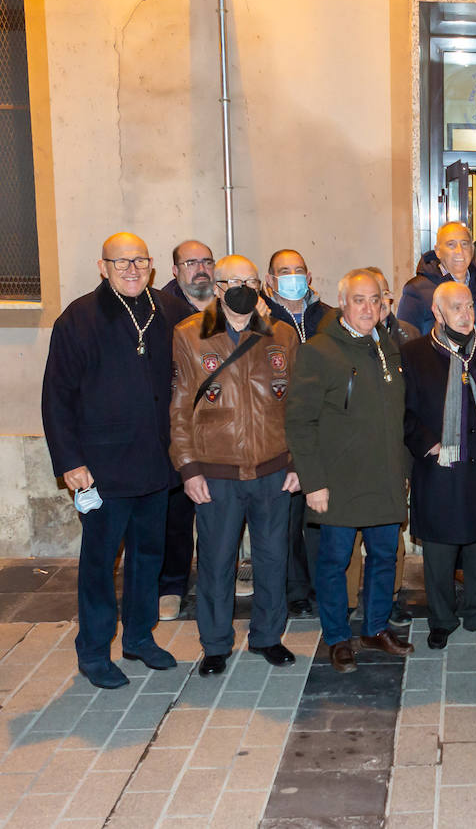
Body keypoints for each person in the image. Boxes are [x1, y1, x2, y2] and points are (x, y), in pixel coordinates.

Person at [41, 233, 194, 689]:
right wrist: (69, 460)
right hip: (101, 469)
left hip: (156, 463)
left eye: (139, 260)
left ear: (150, 266)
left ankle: (140, 638)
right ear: (102, 266)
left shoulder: (170, 312)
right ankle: (92, 651)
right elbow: (57, 396)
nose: (131, 269)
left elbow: (211, 346)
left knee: (149, 556)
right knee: (100, 563)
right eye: (121, 261)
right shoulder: (78, 319)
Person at [168, 256, 302, 676]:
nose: (242, 287)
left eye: (250, 280)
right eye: (233, 281)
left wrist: (299, 462)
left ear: (260, 285)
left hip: (274, 469)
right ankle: (215, 644)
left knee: (272, 557)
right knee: (215, 562)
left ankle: (267, 636)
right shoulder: (190, 335)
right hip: (216, 471)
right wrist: (188, 468)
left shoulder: (280, 334)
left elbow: (298, 405)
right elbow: (179, 408)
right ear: (219, 287)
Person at [285, 270, 412, 674]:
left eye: (375, 300)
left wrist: (402, 470)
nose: (368, 308)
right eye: (359, 300)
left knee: (383, 557)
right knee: (334, 563)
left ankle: (375, 628)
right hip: (336, 483)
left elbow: (398, 417)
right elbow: (299, 421)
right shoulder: (319, 351)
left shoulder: (387, 346)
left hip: (384, 477)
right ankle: (338, 637)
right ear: (342, 303)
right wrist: (313, 482)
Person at [402, 281, 476, 649]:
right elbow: (403, 413)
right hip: (439, 467)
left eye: (469, 306)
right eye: (456, 308)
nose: (466, 315)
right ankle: (440, 619)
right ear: (438, 313)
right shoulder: (415, 354)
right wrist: (430, 444)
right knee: (439, 549)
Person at [343, 267, 419, 627]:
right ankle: (349, 600)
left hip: (394, 452)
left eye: (382, 296)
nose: (377, 304)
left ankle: (388, 599)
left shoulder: (408, 337)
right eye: (368, 298)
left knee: (392, 538)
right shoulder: (343, 340)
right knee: (352, 535)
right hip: (355, 458)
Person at [265, 248, 337, 615]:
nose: (292, 278)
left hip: (326, 429)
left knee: (321, 514)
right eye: (283, 271)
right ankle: (295, 588)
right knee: (288, 516)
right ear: (269, 281)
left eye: (298, 271)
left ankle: (324, 582)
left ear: (309, 278)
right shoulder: (262, 319)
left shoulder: (328, 317)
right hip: (281, 430)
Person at [158, 239, 216, 621]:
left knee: (221, 513)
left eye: (207, 261)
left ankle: (221, 575)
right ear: (175, 270)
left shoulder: (231, 306)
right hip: (180, 429)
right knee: (177, 514)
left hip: (225, 432)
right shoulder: (161, 312)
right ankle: (172, 585)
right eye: (190, 262)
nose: (200, 269)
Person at [396, 221, 476, 337]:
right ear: (438, 251)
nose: (459, 251)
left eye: (464, 244)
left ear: (472, 249)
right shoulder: (417, 290)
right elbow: (405, 341)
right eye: (451, 245)